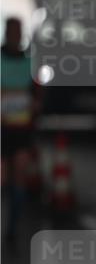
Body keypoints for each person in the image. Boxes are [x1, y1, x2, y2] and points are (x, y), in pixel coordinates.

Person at [1, 16, 39, 249]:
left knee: (19, 179)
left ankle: (12, 229)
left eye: (19, 31)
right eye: (12, 31)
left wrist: (34, 105)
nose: (16, 36)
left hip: (22, 131)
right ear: (6, 33)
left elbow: (38, 95)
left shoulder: (29, 62)